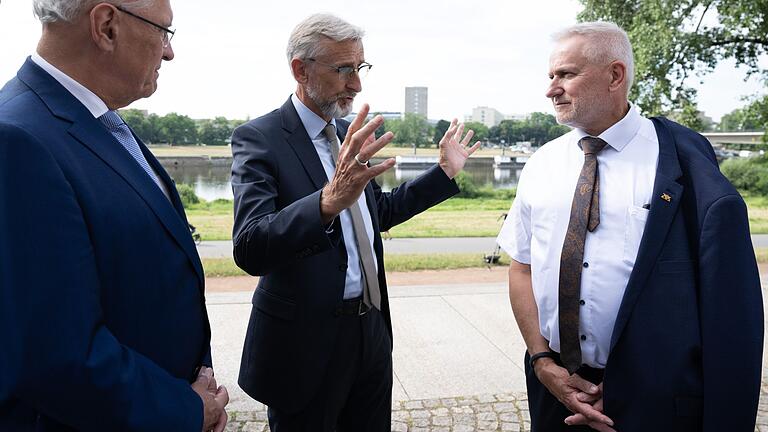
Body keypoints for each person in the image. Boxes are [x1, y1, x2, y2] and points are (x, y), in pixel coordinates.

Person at [497, 21, 763, 432]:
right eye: (551, 76)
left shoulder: (683, 165)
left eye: (566, 74)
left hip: (653, 401)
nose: (552, 89)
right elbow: (522, 267)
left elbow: (729, 312)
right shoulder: (541, 164)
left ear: (615, 75)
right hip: (554, 392)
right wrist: (542, 360)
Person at [231, 13, 480, 431]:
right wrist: (327, 202)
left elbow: (375, 213)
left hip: (370, 332)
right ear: (300, 69)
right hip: (305, 345)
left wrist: (444, 173)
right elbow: (251, 246)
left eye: (360, 68)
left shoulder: (349, 133)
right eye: (343, 69)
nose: (357, 84)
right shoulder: (259, 138)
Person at [0, 1, 229, 430]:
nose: (168, 52)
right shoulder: (17, 139)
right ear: (106, 26)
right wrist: (186, 411)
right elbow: (55, 354)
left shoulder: (95, 123)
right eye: (165, 32)